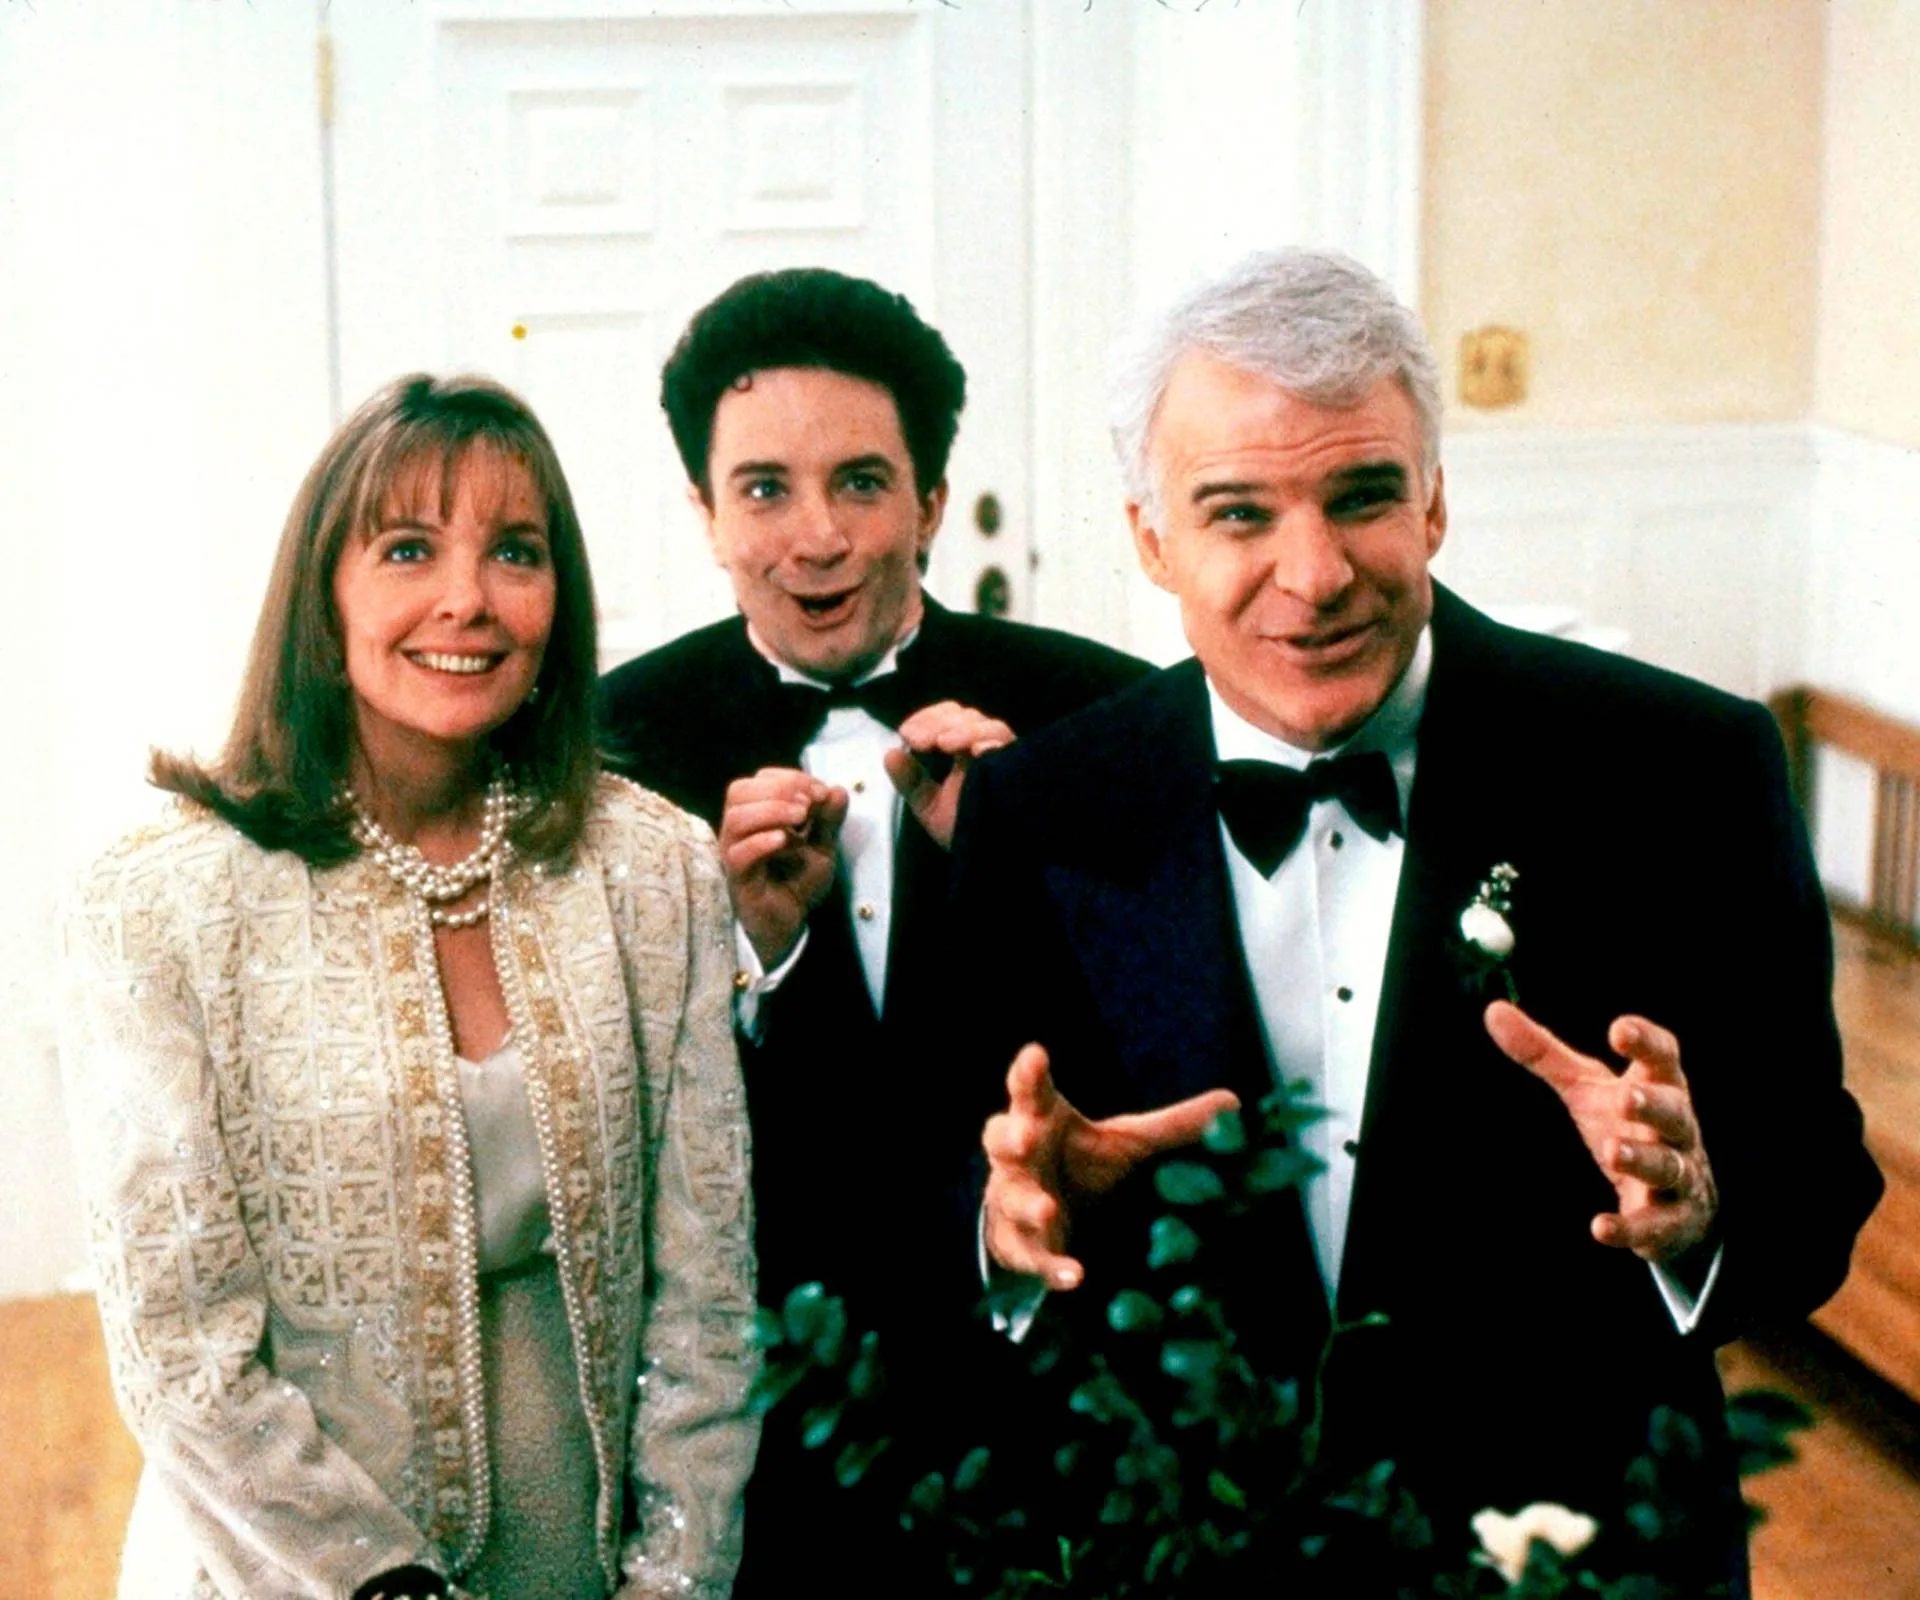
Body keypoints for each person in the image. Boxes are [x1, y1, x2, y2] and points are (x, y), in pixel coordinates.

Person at [959, 250, 1882, 1589]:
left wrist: (1699, 1211)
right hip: (1190, 1554)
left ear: (1435, 501)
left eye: (1363, 496)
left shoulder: (1683, 768)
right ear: (1152, 539)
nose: (1315, 573)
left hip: (1579, 1558)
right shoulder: (1040, 807)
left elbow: (1817, 1188)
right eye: (1239, 514)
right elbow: (959, 1168)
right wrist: (1008, 1227)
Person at [59, 375, 757, 1600]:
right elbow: (180, 1349)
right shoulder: (159, 902)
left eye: (515, 551)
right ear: (321, 595)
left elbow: (706, 1298)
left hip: (583, 1562)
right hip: (282, 1567)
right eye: (407, 548)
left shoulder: (657, 870)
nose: (467, 599)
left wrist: (673, 1578)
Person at [596, 267, 1149, 1594]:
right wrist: (753, 956)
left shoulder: (1106, 715)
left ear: (932, 503)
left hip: (1049, 1408)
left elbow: (1154, 1053)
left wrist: (1016, 863)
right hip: (751, 1434)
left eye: (860, 482)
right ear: (704, 512)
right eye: (763, 489)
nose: (819, 538)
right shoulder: (611, 750)